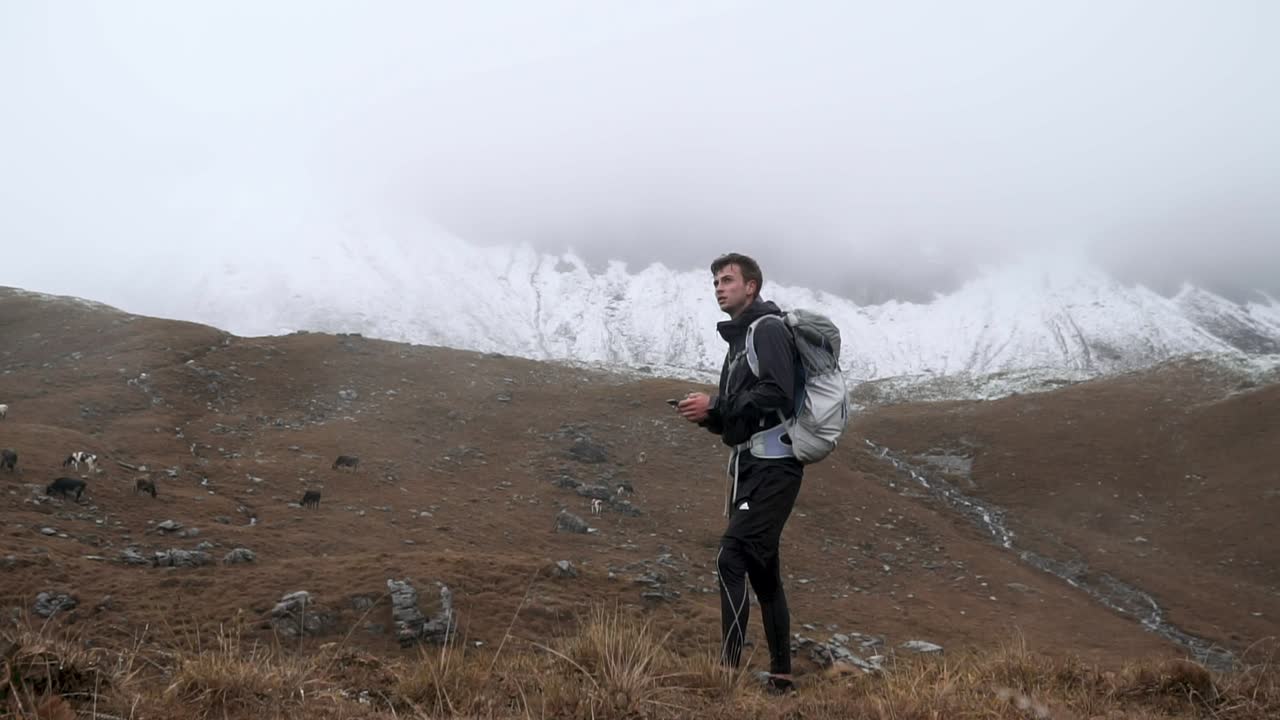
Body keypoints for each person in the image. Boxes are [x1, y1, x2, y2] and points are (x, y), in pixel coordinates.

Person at [677, 252, 802, 694]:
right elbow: (741, 417)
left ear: (751, 287)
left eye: (727, 279)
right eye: (714, 281)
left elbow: (778, 392)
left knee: (731, 557)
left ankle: (726, 674)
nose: (718, 287)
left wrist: (718, 404)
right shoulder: (738, 343)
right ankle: (782, 679)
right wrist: (709, 415)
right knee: (763, 571)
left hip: (776, 466)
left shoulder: (766, 329)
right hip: (751, 465)